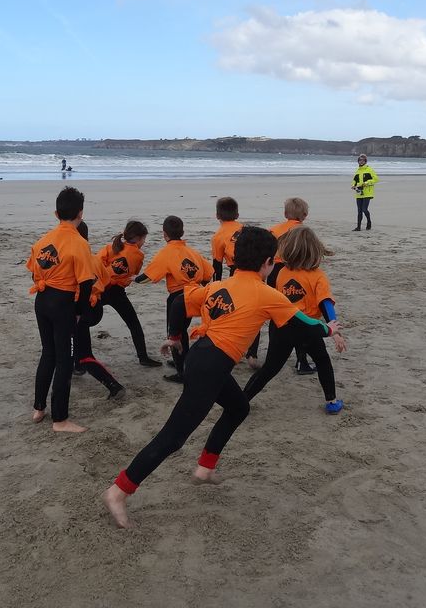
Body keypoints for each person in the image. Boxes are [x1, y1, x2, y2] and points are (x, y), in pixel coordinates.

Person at [102, 226, 340, 529]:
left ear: (235, 257)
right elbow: (304, 323)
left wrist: (174, 336)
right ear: (268, 262)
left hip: (201, 357)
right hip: (211, 367)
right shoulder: (267, 294)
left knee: (239, 408)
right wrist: (329, 329)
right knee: (173, 437)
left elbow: (180, 302)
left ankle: (205, 468)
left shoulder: (219, 285)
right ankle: (119, 491)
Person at [243, 226, 347, 411]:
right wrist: (335, 330)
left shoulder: (281, 272)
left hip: (281, 326)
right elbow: (326, 304)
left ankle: (242, 400)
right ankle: (331, 402)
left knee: (270, 368)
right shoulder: (318, 276)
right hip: (308, 328)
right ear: (315, 250)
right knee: (323, 362)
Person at [27, 186, 98, 433]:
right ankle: (60, 420)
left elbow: (34, 272)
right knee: (64, 359)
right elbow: (86, 283)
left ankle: (38, 408)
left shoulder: (43, 240)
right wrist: (79, 312)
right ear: (81, 213)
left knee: (48, 353)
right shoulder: (79, 243)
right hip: (63, 303)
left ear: (56, 214)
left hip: (42, 300)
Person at [133, 215, 214, 383]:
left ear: (164, 234)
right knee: (182, 331)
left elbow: (148, 277)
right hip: (195, 295)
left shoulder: (166, 253)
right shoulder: (192, 252)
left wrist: (134, 279)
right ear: (182, 232)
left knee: (174, 334)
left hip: (177, 298)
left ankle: (181, 373)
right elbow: (209, 273)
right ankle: (183, 361)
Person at [96, 220, 162, 367]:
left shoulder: (110, 247)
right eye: (144, 239)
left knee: (82, 322)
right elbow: (135, 273)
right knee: (133, 323)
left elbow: (96, 263)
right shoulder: (138, 255)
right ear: (138, 238)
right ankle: (143, 357)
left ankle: (78, 361)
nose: (144, 242)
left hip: (100, 289)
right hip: (117, 292)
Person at [72, 221, 126, 399]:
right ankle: (77, 366)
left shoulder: (74, 260)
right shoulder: (94, 259)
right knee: (77, 340)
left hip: (81, 310)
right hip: (95, 309)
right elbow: (106, 281)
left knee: (84, 354)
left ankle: (113, 385)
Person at [269, 196, 310, 372]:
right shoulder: (304, 232)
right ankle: (302, 360)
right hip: (296, 270)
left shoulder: (273, 230)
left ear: (285, 214)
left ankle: (272, 355)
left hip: (274, 271)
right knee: (299, 313)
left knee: (275, 312)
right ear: (305, 215)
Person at [211, 196, 242, 280]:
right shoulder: (246, 229)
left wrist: (216, 284)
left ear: (217, 216)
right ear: (237, 215)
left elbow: (217, 265)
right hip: (257, 268)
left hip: (236, 270)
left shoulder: (217, 237)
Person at [352, 154, 379, 231]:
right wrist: (353, 185)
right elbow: (354, 180)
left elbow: (376, 179)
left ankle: (369, 221)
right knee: (359, 211)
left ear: (365, 161)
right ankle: (358, 227)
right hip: (359, 192)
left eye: (363, 160)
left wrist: (367, 183)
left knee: (364, 209)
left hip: (367, 193)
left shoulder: (369, 169)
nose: (361, 161)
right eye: (359, 160)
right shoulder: (357, 171)